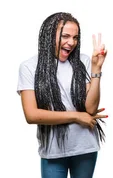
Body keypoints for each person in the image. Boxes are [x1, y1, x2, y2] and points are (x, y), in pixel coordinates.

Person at [17, 12, 108, 178]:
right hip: (53, 151)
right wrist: (76, 117)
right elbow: (32, 115)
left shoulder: (85, 61)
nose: (71, 42)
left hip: (85, 146)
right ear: (49, 34)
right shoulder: (29, 67)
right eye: (65, 36)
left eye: (75, 37)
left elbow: (91, 107)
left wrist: (96, 70)